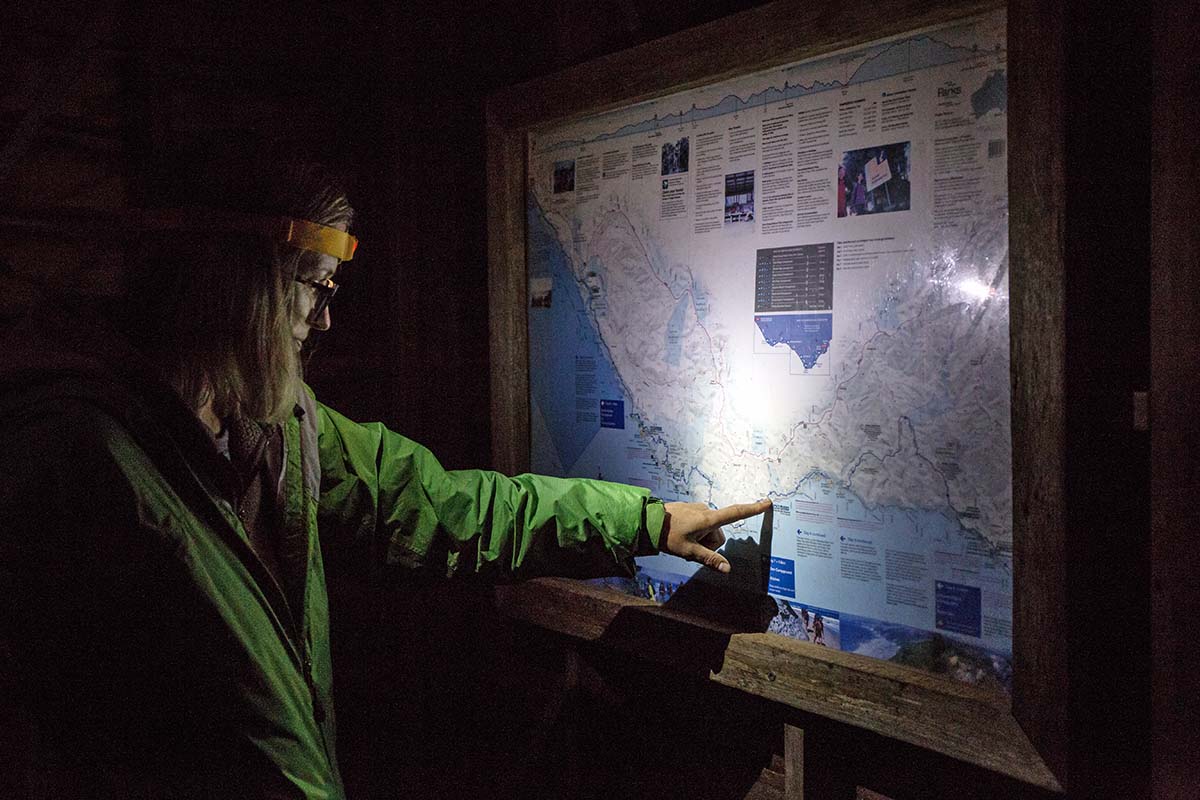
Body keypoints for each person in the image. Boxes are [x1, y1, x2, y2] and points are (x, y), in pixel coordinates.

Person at [0, 161, 769, 798]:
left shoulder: (274, 423)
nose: (325, 320)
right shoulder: (76, 464)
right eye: (316, 286)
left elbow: (436, 505)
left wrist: (640, 522)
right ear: (247, 280)